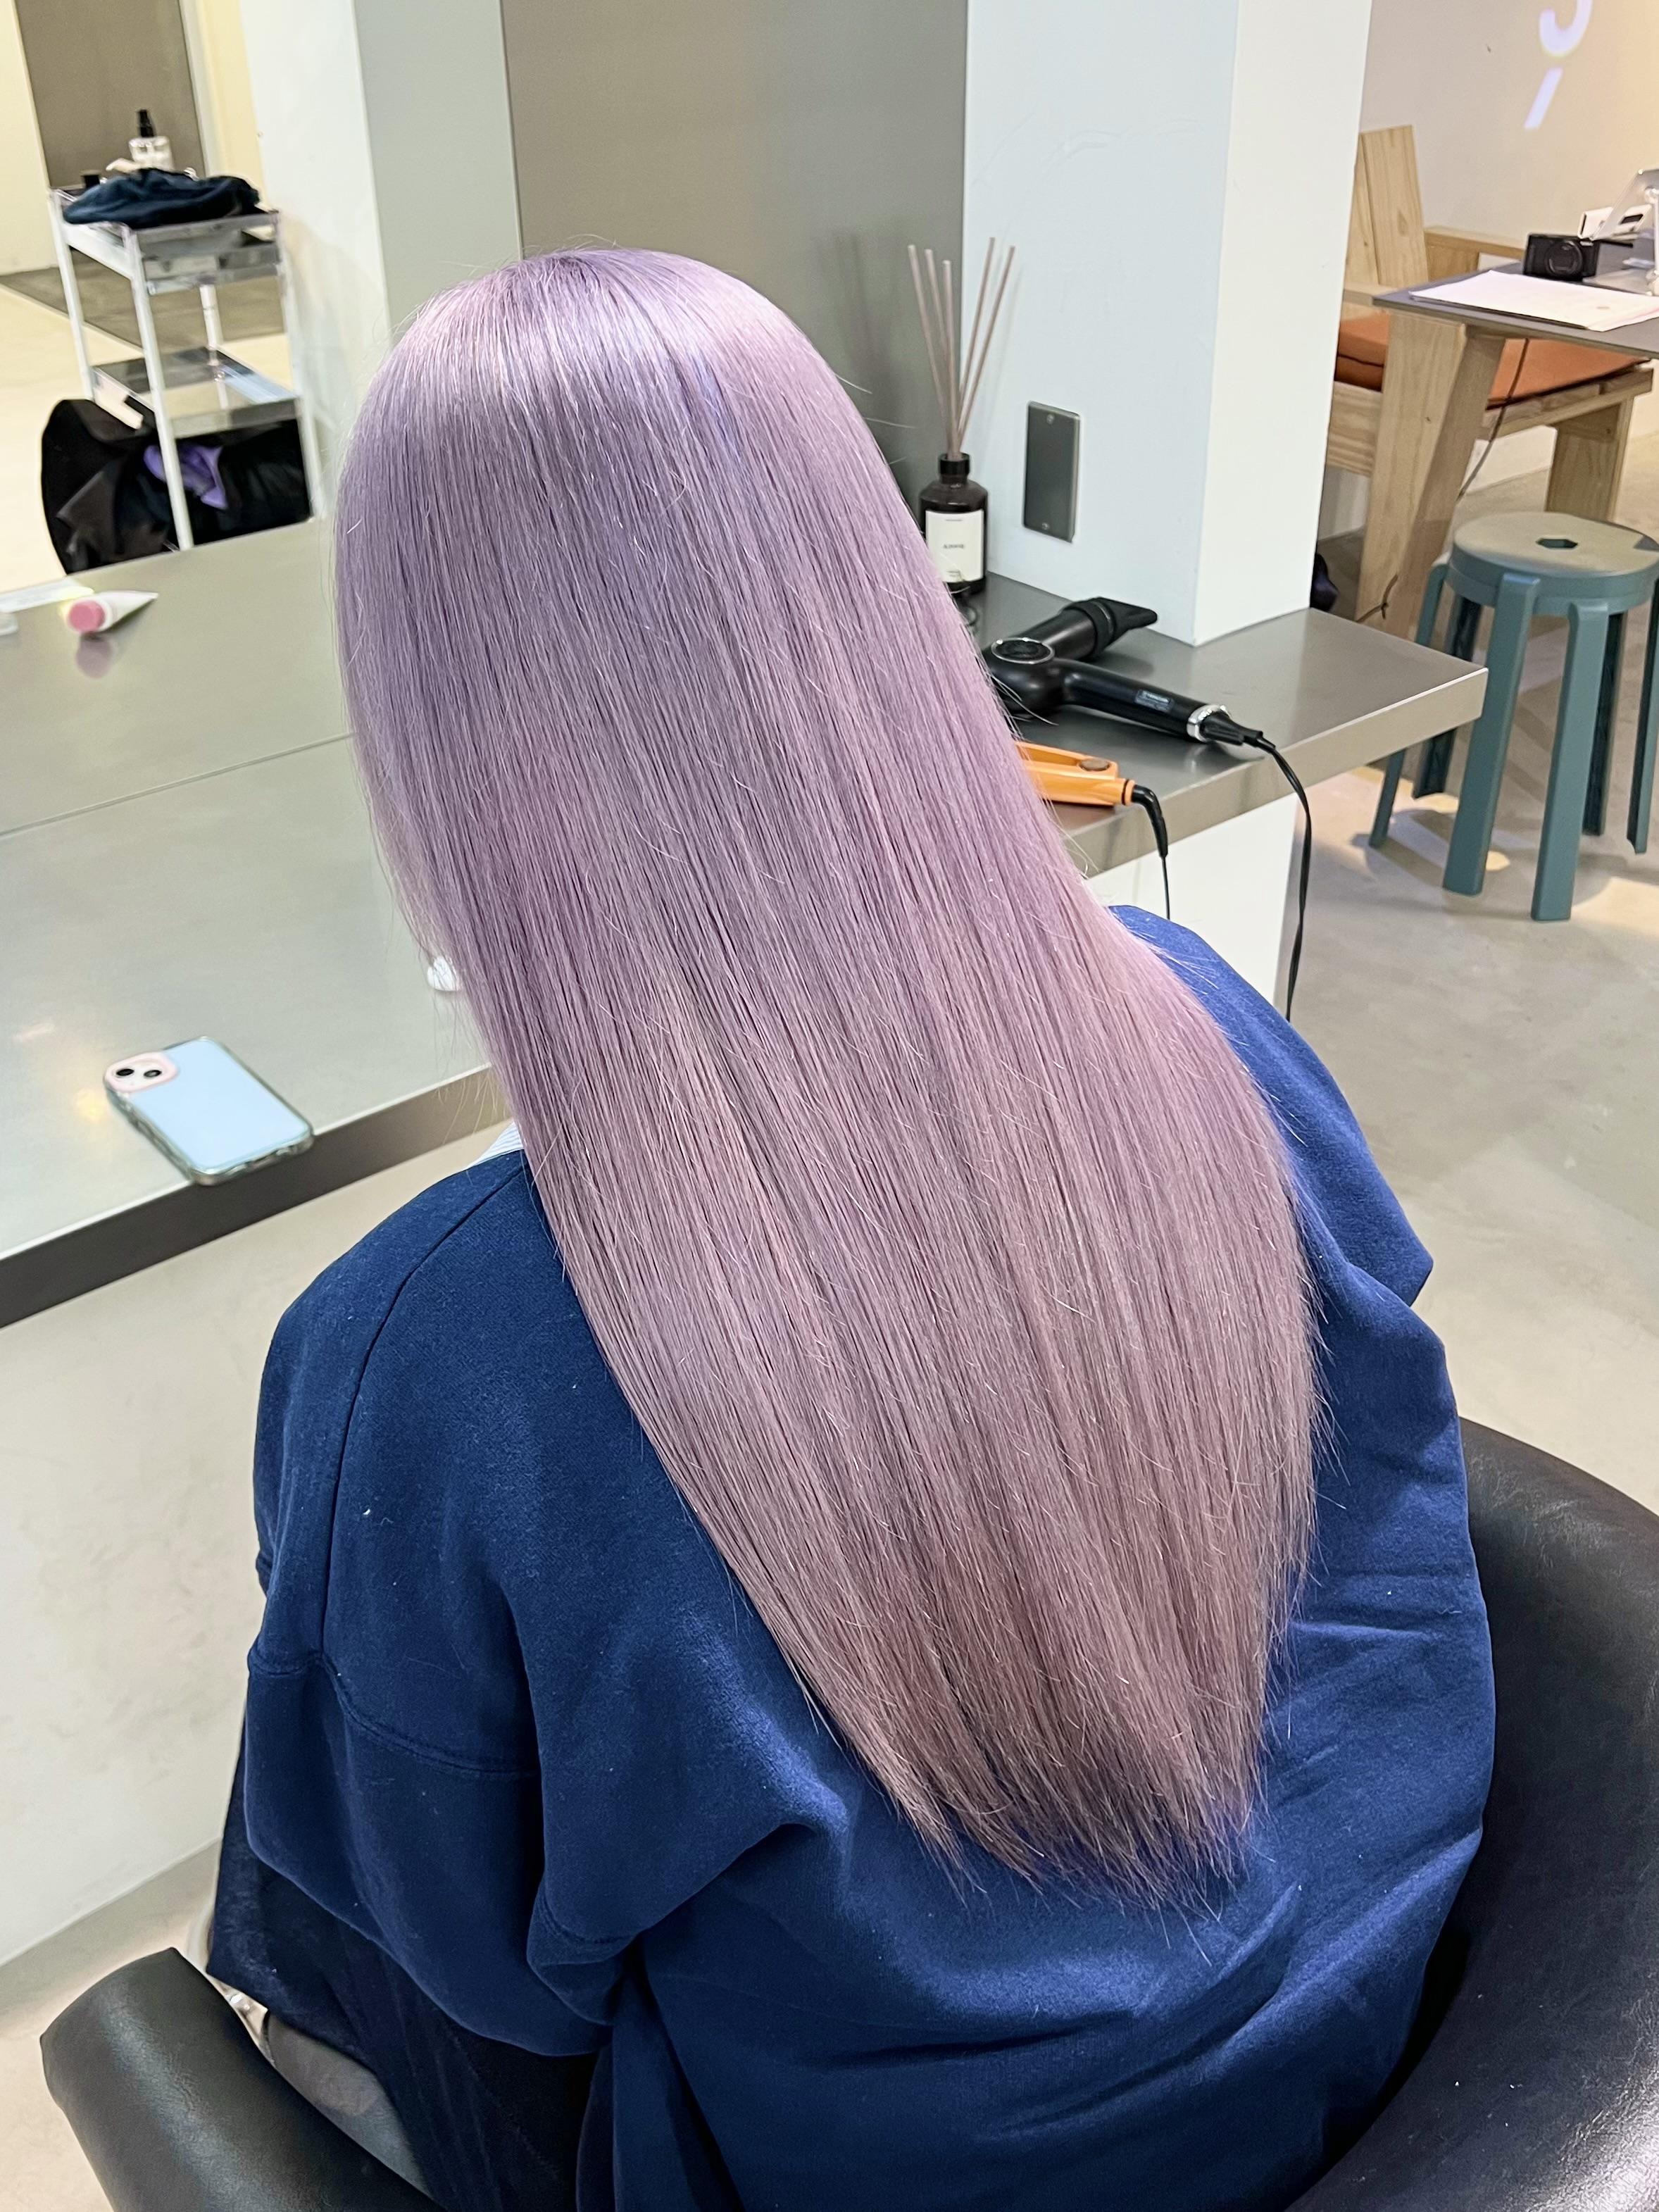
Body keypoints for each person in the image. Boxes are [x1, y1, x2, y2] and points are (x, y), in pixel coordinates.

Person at [209, 249, 1493, 2212]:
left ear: (436, 738)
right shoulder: (1201, 1014)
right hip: (1393, 2025)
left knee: (317, 1852)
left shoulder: (431, 1350)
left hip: (903, 2171)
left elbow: (465, 1973)